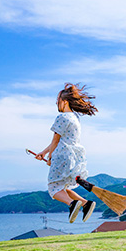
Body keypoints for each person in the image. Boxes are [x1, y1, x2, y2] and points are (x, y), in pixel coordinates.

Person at [36, 83, 97, 223]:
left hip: (61, 155)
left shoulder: (61, 117)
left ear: (64, 102)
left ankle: (72, 204)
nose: (57, 104)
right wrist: (44, 152)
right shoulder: (75, 118)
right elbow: (60, 140)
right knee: (63, 187)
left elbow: (55, 140)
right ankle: (85, 203)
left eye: (58, 101)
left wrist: (50, 157)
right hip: (73, 157)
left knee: (53, 188)